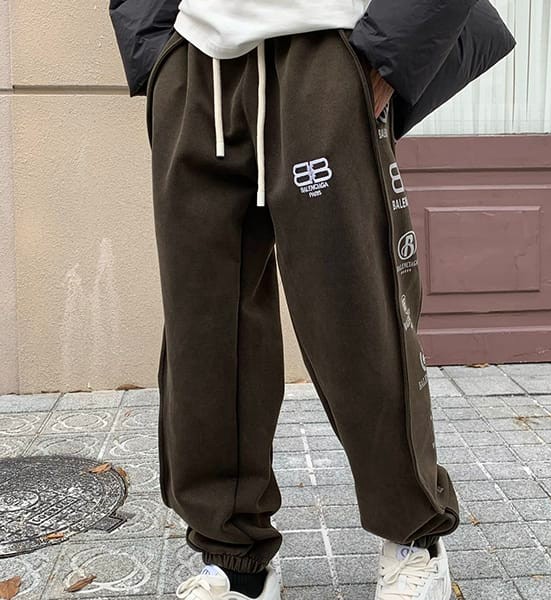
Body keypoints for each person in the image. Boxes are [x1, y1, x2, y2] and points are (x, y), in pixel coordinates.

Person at [110, 1, 515, 599]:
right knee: (205, 330)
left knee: (358, 316)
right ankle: (234, 559)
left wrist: (389, 58)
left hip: (326, 52)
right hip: (195, 62)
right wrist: (156, 57)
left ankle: (412, 537)